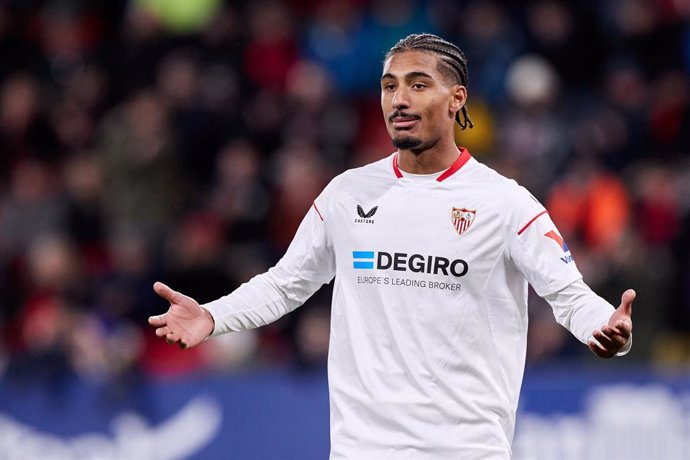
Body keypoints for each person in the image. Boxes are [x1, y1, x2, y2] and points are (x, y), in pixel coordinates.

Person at [148, 34, 634, 459]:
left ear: (456, 99)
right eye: (389, 86)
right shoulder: (347, 194)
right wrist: (213, 317)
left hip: (464, 450)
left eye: (418, 84)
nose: (399, 99)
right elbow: (284, 284)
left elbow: (568, 295)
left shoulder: (505, 203)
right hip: (363, 450)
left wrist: (605, 326)